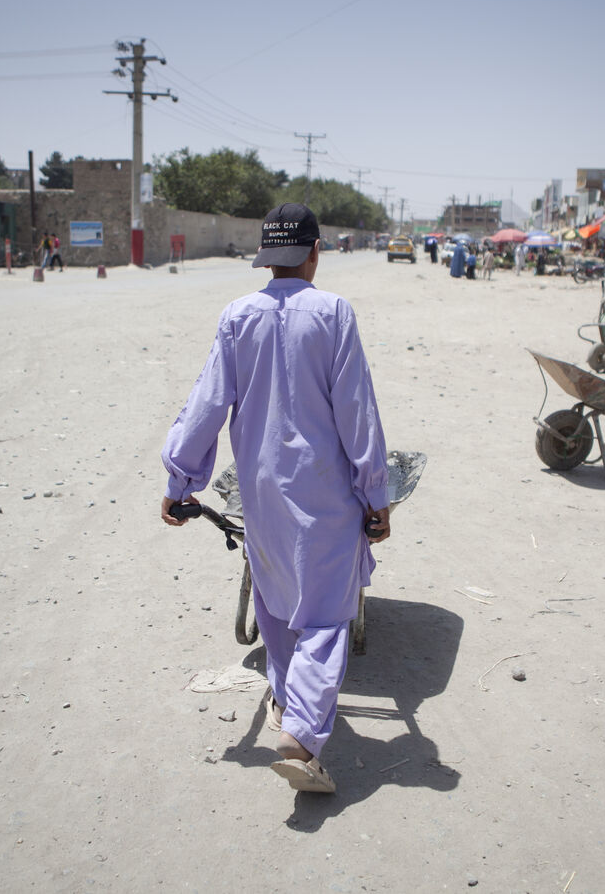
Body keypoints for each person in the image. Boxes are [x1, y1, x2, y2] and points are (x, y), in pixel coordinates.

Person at [160, 203, 390, 795]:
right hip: (325, 491)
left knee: (278, 602)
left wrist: (180, 482)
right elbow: (357, 413)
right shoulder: (334, 313)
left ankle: (289, 705)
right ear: (315, 252)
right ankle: (302, 738)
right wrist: (376, 494)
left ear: (266, 259)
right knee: (326, 614)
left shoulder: (238, 316)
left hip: (261, 491)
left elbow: (206, 404)